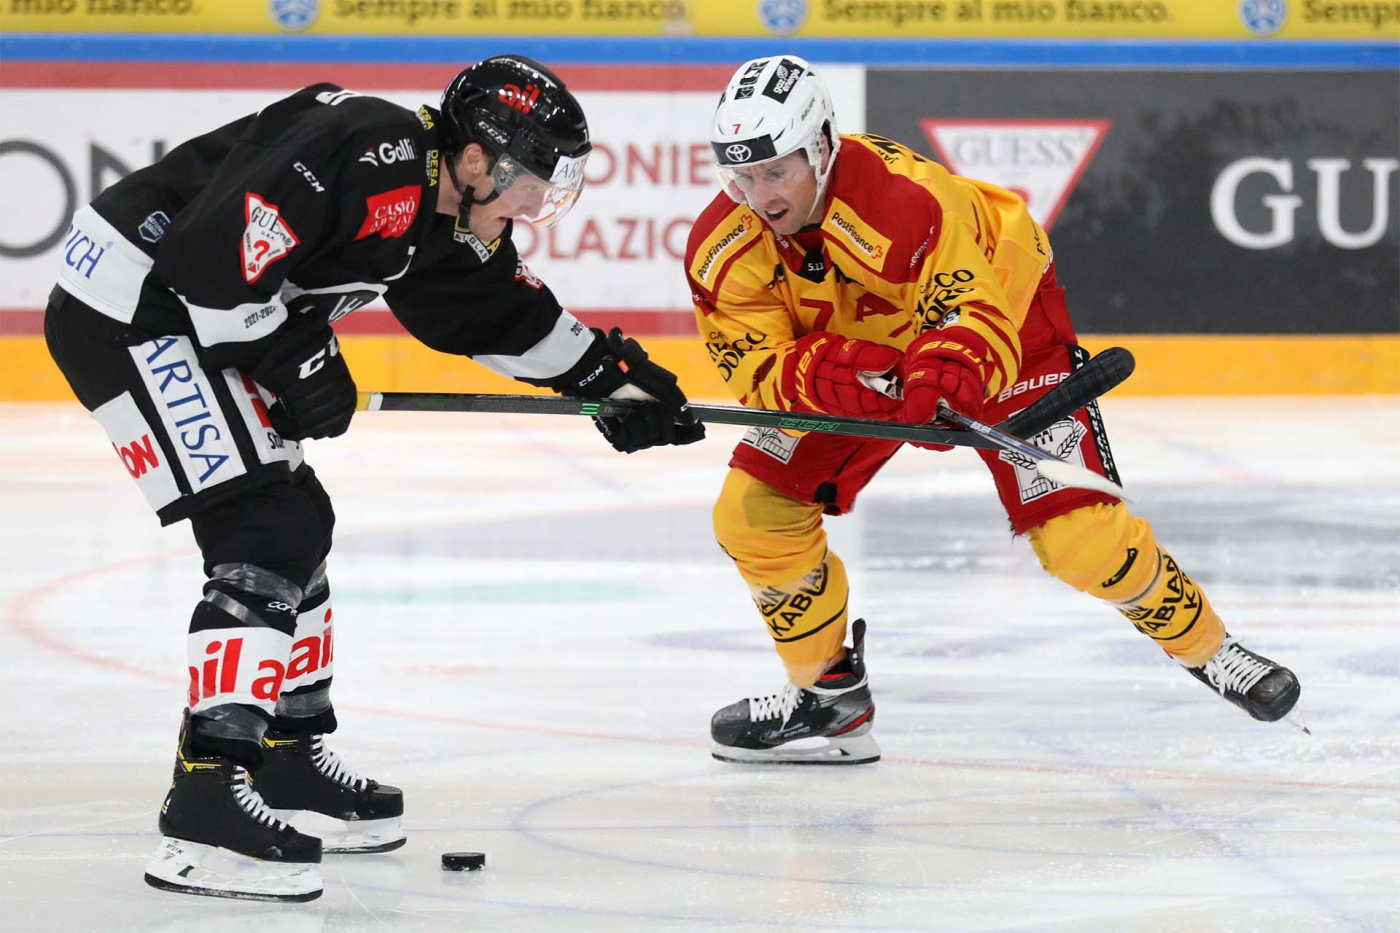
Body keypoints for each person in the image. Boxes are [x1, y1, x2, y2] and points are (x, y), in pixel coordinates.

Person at [45, 55, 703, 901]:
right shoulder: (373, 146)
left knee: (298, 523)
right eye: (528, 182)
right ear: (476, 159)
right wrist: (296, 356)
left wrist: (612, 380)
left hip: (189, 315)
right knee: (266, 529)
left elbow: (492, 310)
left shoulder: (435, 206)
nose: (533, 205)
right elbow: (207, 261)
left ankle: (285, 756)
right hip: (135, 310)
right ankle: (206, 798)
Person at [684, 55, 1299, 765]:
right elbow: (757, 365)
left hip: (1009, 320)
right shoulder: (722, 248)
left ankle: (1211, 651)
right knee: (753, 515)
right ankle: (828, 696)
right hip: (867, 357)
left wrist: (948, 374)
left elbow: (972, 312)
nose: (759, 196)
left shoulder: (904, 202)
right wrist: (853, 375)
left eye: (776, 171)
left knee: (1080, 540)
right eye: (742, 176)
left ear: (820, 147)